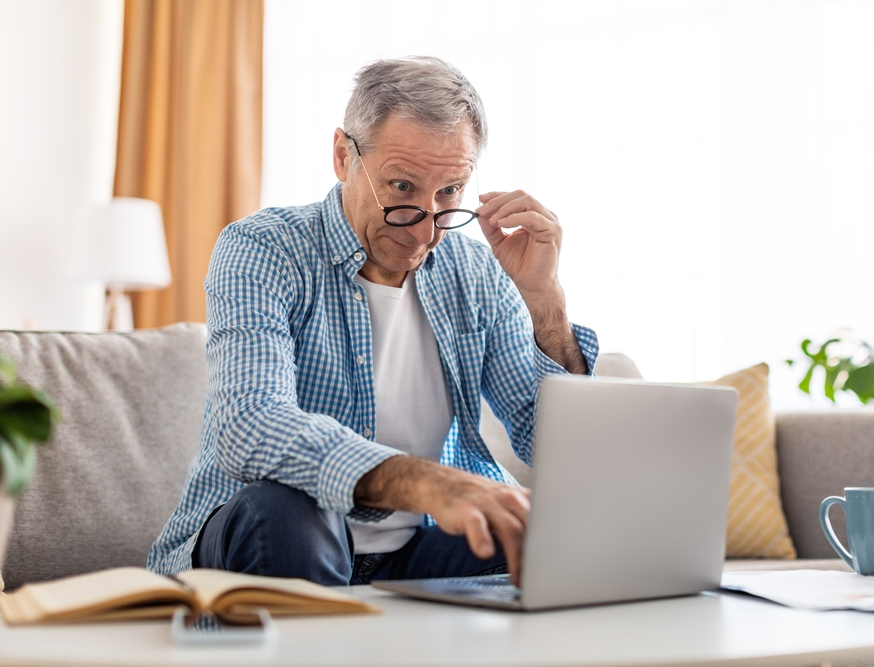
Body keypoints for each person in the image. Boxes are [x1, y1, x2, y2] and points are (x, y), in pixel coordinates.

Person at [148, 57, 598, 588]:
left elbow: (561, 451)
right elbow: (251, 426)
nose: (425, 228)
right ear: (343, 156)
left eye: (449, 192)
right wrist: (430, 484)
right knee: (289, 511)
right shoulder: (264, 249)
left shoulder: (476, 272)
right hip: (279, 535)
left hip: (412, 553)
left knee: (553, 531)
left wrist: (544, 302)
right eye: (402, 187)